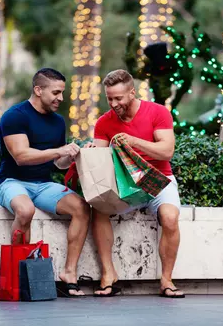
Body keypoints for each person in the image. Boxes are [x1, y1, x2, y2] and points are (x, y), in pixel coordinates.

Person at [86, 69, 185, 298]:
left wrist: (133, 142)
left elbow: (167, 151)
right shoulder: (104, 122)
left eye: (118, 98)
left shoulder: (158, 112)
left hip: (155, 177)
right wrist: (92, 152)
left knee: (170, 217)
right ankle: (108, 275)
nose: (113, 103)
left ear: (132, 92)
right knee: (98, 209)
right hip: (125, 183)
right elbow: (100, 160)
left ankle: (167, 281)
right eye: (109, 98)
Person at [0, 68, 90, 297]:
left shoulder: (58, 121)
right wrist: (58, 150)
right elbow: (21, 156)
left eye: (62, 92)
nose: (61, 98)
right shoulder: (15, 116)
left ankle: (69, 273)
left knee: (81, 208)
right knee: (25, 210)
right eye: (56, 92)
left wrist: (74, 154)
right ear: (38, 90)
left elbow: (58, 164)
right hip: (12, 181)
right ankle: (21, 276)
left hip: (43, 185)